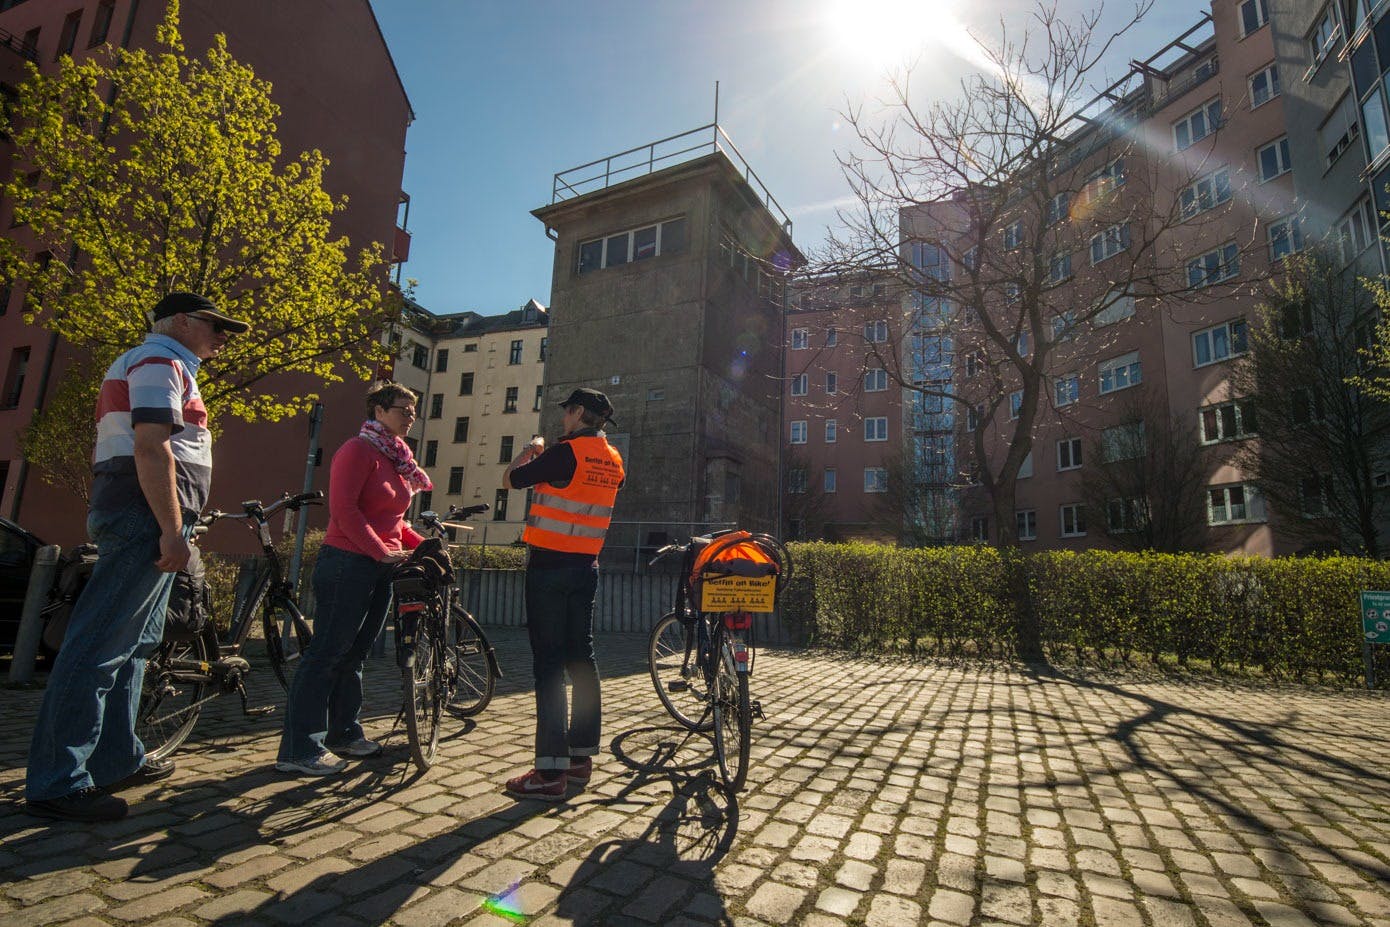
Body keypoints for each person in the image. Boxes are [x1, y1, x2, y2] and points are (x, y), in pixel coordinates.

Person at [25, 292, 249, 822]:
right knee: (98, 646)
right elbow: (151, 447)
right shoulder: (158, 361)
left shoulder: (167, 365)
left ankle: (117, 758)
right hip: (143, 516)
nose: (224, 335)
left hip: (147, 514)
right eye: (214, 324)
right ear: (176, 321)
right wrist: (172, 529)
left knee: (137, 645)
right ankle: (58, 779)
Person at [276, 381, 428, 776]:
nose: (410, 417)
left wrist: (423, 544)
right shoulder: (357, 450)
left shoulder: (396, 457)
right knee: (326, 653)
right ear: (378, 411)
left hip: (381, 565)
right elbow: (344, 510)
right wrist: (379, 550)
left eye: (414, 411)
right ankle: (298, 748)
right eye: (403, 409)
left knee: (356, 653)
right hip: (347, 562)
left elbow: (393, 521)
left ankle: (343, 732)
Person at [502, 387, 625, 800]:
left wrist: (530, 450)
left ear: (576, 413)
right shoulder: (614, 459)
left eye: (566, 413)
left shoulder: (563, 452)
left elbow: (511, 480)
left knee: (549, 665)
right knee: (581, 658)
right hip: (586, 567)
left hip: (550, 568)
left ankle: (548, 773)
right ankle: (580, 757)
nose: (562, 421)